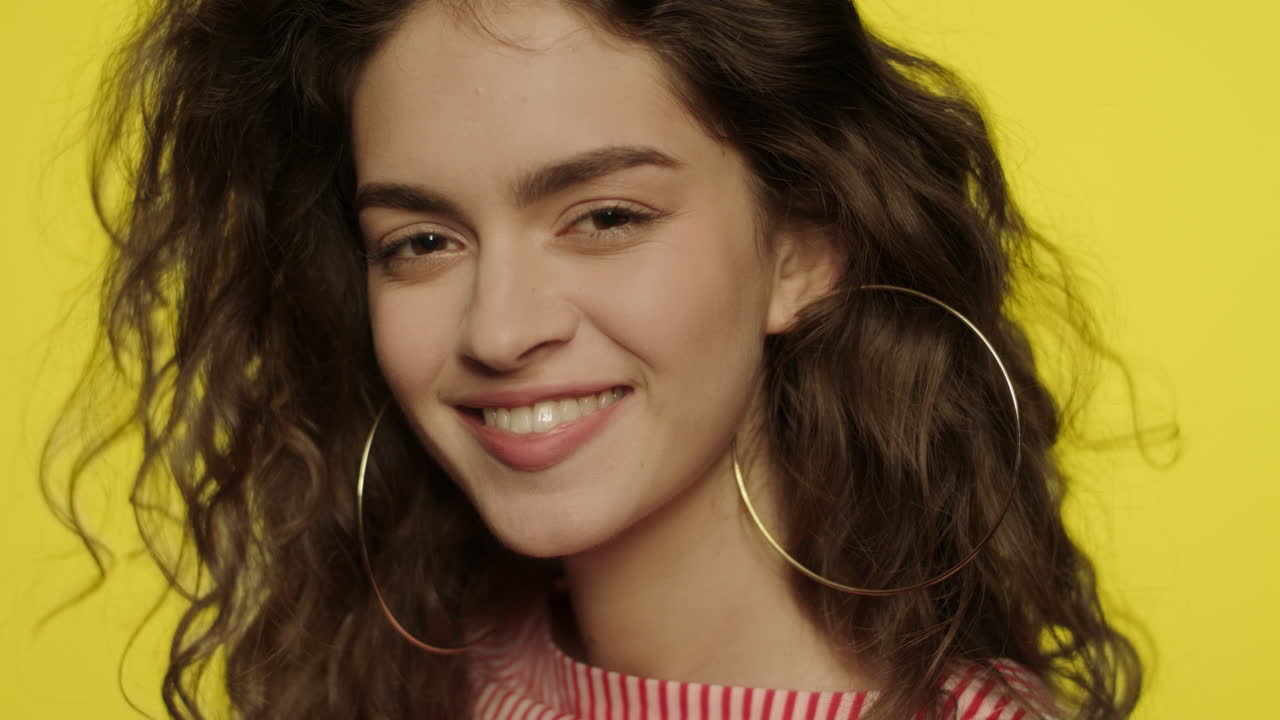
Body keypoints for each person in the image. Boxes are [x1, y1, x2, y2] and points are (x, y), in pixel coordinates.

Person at [60, 0, 1142, 717]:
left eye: (605, 216)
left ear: (803, 249)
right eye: (421, 242)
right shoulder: (405, 676)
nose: (496, 329)